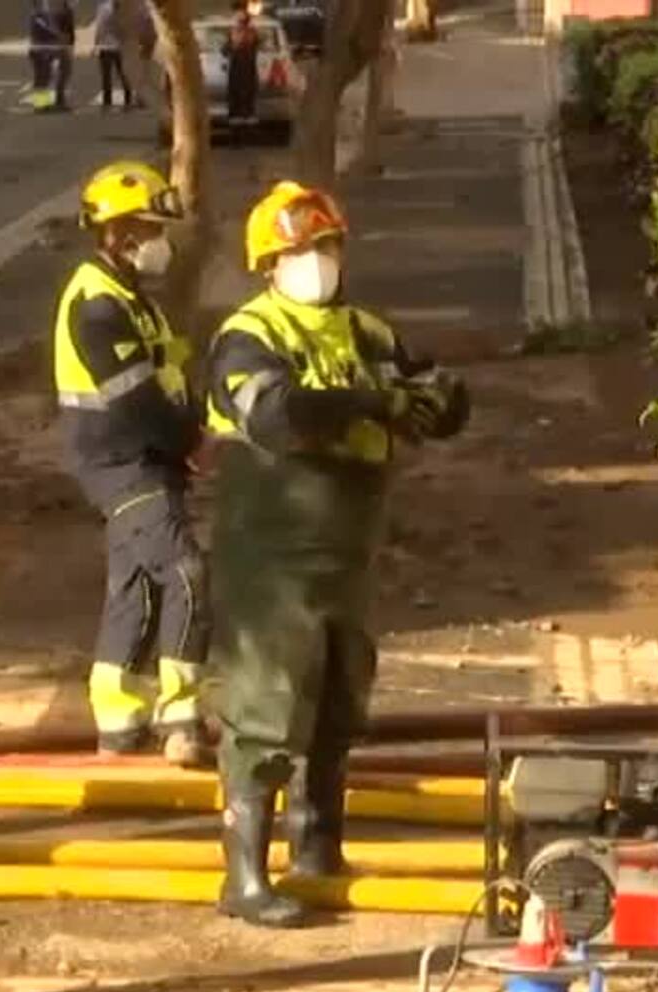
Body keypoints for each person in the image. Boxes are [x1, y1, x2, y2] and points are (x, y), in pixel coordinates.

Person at [202, 182, 469, 927]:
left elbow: (436, 389)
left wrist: (436, 401)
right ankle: (245, 877)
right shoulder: (249, 335)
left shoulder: (368, 332)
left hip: (348, 547)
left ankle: (318, 847)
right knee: (267, 702)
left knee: (339, 694)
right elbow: (279, 417)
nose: (313, 262)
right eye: (296, 252)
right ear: (267, 263)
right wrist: (365, 402)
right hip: (273, 554)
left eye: (324, 247)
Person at [53, 160, 209, 760]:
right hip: (123, 462)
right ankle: (182, 720)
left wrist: (194, 428)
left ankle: (119, 722)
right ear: (118, 235)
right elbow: (138, 398)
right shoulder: (97, 305)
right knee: (187, 573)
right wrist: (191, 443)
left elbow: (167, 376)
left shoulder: (132, 298)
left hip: (146, 459)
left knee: (138, 587)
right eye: (150, 230)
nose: (160, 244)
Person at [29, 0, 77, 112]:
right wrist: (59, 35)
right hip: (41, 50)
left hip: (48, 49)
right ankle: (40, 105)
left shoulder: (43, 14)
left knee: (46, 77)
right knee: (41, 78)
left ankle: (46, 103)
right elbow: (48, 28)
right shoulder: (37, 16)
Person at [92, 0, 138, 111]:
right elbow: (124, 29)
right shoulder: (118, 10)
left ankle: (109, 101)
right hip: (115, 46)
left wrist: (96, 43)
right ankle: (125, 99)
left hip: (108, 46)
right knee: (120, 73)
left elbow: (99, 27)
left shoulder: (103, 8)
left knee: (109, 75)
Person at [223, 1, 261, 127]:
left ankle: (247, 117)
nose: (239, 17)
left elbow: (255, 46)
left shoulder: (252, 32)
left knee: (247, 97)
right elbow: (225, 50)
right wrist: (232, 46)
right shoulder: (232, 32)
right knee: (235, 98)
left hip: (248, 70)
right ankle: (236, 121)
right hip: (236, 70)